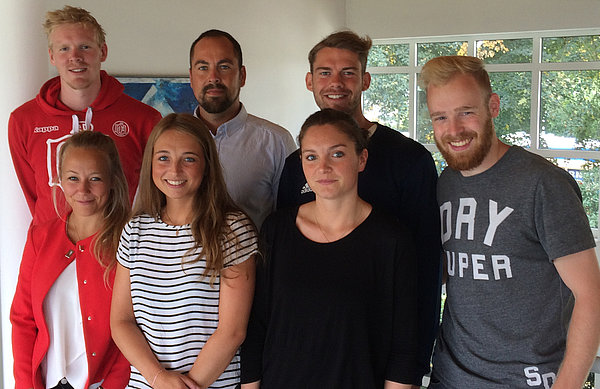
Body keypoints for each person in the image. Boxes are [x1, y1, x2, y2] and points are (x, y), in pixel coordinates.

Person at [420, 55, 600, 388]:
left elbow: (591, 296)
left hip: (528, 380)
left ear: (493, 106)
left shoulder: (544, 184)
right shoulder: (446, 181)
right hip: (449, 376)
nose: (454, 130)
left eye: (466, 112)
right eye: (440, 117)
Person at [276, 30, 441, 384]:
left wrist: (414, 366)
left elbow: (427, 271)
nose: (336, 83)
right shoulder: (294, 167)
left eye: (348, 72)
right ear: (309, 81)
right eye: (324, 72)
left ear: (365, 80)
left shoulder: (410, 161)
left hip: (376, 355)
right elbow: (282, 266)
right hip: (303, 356)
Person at [241, 109, 420, 389]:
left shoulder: (392, 240)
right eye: (311, 156)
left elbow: (405, 347)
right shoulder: (276, 229)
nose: (322, 167)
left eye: (337, 154)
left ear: (361, 159)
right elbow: (257, 326)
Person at [111, 113, 257, 389]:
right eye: (163, 157)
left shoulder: (232, 229)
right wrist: (158, 379)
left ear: (206, 166)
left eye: (188, 159)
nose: (174, 170)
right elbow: (121, 320)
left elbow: (232, 332)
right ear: (150, 163)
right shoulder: (135, 230)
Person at [9, 5, 161, 226]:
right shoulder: (24, 121)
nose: (75, 57)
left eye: (84, 47)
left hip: (118, 253)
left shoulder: (144, 119)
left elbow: (154, 196)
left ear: (103, 51)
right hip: (49, 254)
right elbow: (33, 196)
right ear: (52, 56)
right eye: (64, 49)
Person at [11, 131, 131, 389]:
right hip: (45, 382)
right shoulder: (40, 237)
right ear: (60, 181)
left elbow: (137, 326)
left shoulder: (129, 239)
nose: (83, 190)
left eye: (95, 178)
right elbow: (22, 319)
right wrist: (25, 385)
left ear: (112, 180)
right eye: (73, 178)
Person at [189, 29, 296, 228]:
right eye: (203, 67)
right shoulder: (170, 142)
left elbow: (291, 222)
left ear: (242, 75)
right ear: (191, 78)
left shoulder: (276, 142)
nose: (213, 77)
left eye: (224, 66)